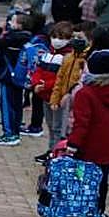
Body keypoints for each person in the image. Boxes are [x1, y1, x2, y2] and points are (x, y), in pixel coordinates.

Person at [67, 49, 109, 217]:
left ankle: (79, 206)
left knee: (82, 177)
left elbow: (82, 123)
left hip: (87, 146)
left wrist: (72, 144)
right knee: (102, 178)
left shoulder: (86, 93)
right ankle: (99, 210)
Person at [0, 10, 46, 147]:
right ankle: (15, 129)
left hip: (8, 76)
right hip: (20, 77)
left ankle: (9, 134)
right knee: (16, 104)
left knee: (7, 105)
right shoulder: (29, 38)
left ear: (19, 25)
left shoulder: (12, 38)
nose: (9, 23)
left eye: (13, 21)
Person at [32, 20, 77, 161]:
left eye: (62, 38)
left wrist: (45, 85)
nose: (57, 41)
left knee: (58, 127)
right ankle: (51, 150)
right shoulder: (48, 53)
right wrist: (36, 84)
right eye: (55, 37)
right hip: (45, 96)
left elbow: (61, 78)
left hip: (56, 97)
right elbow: (38, 70)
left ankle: (55, 153)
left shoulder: (67, 57)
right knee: (51, 126)